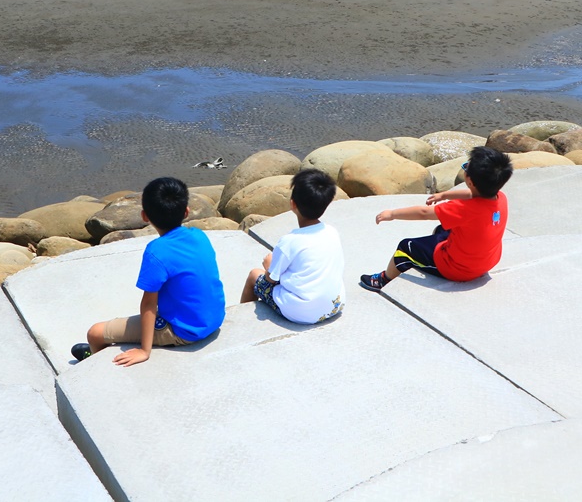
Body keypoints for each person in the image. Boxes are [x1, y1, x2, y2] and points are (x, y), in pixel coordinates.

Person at [71, 177, 226, 366]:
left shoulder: (156, 251)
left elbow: (148, 304)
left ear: (145, 217)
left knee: (95, 333)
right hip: (214, 319)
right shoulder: (199, 235)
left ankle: (94, 360)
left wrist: (144, 350)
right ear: (186, 212)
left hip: (185, 331)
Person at [360, 146, 513, 290]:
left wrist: (392, 214)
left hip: (459, 270)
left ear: (470, 181)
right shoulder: (500, 198)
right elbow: (471, 194)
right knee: (442, 229)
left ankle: (383, 280)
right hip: (489, 260)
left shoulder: (463, 209)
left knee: (405, 248)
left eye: (466, 167)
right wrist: (444, 195)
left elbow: (423, 213)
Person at [241, 169, 345, 324]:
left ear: (292, 204)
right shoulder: (332, 232)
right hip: (335, 305)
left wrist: (269, 266)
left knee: (254, 275)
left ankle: (242, 321)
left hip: (301, 313)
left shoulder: (289, 241)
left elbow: (271, 278)